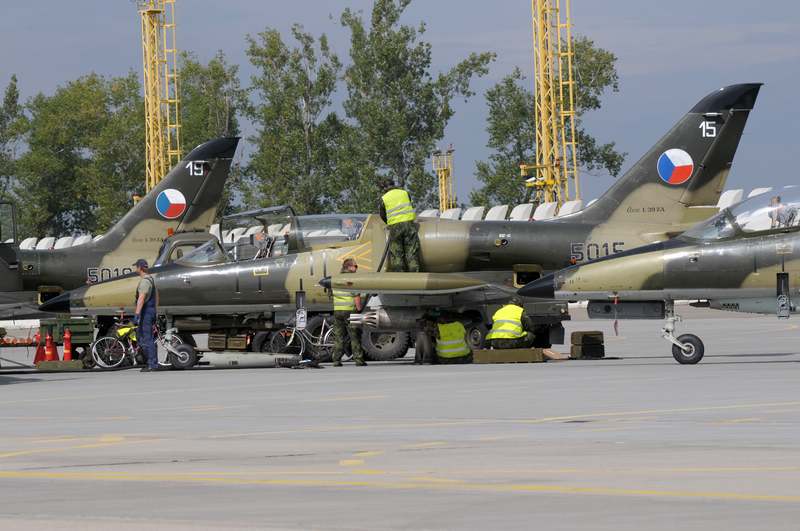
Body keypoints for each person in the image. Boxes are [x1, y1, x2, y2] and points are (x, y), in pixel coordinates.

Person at [379, 179, 421, 272]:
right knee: (412, 251)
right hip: (409, 225)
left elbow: (382, 214)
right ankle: (415, 275)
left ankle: (399, 275)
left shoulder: (384, 198)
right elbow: (409, 204)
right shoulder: (405, 193)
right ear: (394, 185)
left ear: (385, 188)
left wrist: (389, 223)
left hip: (395, 227)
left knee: (396, 253)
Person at [331, 257, 367, 367]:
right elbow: (356, 297)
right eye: (355, 266)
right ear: (349, 267)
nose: (357, 268)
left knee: (338, 336)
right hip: (350, 311)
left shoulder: (336, 279)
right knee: (354, 336)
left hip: (337, 311)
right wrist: (359, 309)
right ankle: (359, 360)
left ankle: (336, 360)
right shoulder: (352, 279)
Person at [133, 258, 160, 372]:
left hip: (146, 313)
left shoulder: (145, 281)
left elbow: (141, 298)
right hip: (151, 311)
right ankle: (152, 362)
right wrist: (155, 311)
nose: (136, 268)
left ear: (140, 268)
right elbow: (157, 297)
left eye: (136, 266)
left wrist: (137, 314)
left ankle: (152, 364)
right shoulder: (151, 279)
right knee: (146, 338)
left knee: (146, 338)